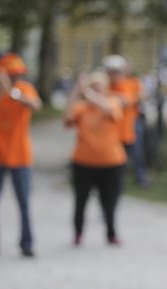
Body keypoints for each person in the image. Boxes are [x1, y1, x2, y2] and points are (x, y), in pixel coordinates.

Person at [0, 53, 42, 258]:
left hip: (20, 157)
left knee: (24, 203)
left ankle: (27, 244)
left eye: (17, 74)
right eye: (11, 74)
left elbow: (36, 105)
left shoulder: (24, 89)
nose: (15, 78)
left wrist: (14, 94)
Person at [64, 72, 126, 246]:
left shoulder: (112, 102)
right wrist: (76, 92)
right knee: (80, 200)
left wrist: (89, 94)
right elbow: (67, 118)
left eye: (100, 86)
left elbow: (108, 109)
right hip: (83, 162)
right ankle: (77, 233)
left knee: (110, 201)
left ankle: (111, 233)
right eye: (94, 86)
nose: (97, 90)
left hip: (111, 162)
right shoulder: (83, 108)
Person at [103, 55, 144, 185]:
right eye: (111, 71)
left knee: (136, 154)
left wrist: (106, 96)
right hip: (112, 129)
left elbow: (127, 101)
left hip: (129, 126)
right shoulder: (105, 85)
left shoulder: (129, 83)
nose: (114, 75)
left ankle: (140, 178)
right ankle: (117, 179)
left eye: (117, 71)